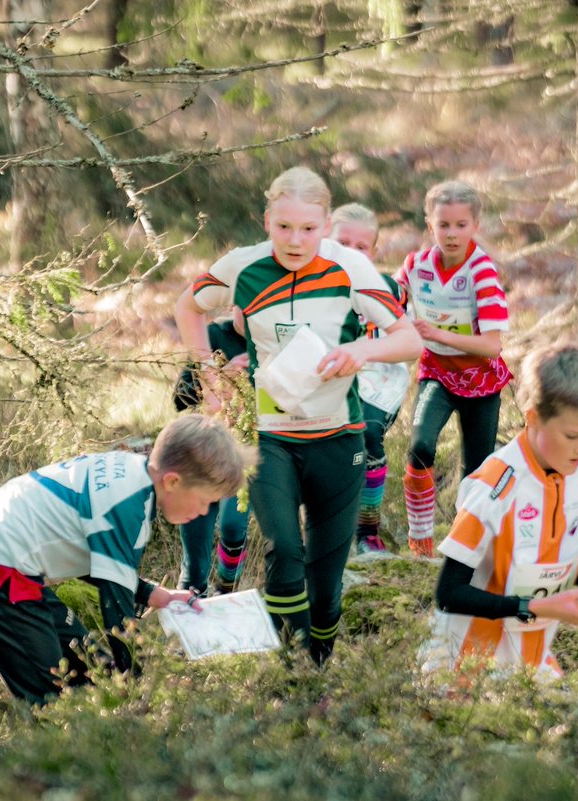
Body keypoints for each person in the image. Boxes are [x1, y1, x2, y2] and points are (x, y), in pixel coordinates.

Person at [174, 166, 421, 664]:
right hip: (270, 438)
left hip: (339, 439)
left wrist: (361, 351)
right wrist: (209, 372)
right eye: (284, 226)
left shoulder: (350, 267)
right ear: (267, 220)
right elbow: (188, 307)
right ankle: (291, 670)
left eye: (308, 228)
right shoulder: (244, 266)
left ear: (326, 225)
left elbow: (409, 340)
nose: (295, 239)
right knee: (284, 552)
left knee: (325, 584)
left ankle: (317, 668)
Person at [0, 414, 256, 705]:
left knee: (90, 669)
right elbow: (117, 612)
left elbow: (102, 566)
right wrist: (140, 687)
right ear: (173, 481)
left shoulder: (132, 475)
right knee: (53, 700)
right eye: (204, 501)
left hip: (2, 562)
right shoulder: (129, 505)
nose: (203, 512)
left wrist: (156, 595)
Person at [417, 343, 578, 680]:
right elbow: (449, 593)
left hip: (533, 665)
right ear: (533, 417)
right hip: (466, 670)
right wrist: (533, 608)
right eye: (572, 435)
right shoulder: (495, 484)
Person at [396, 181, 513, 558]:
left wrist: (437, 333)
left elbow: (492, 346)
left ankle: (466, 548)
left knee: (476, 472)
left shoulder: (482, 272)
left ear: (475, 225)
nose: (451, 234)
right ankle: (420, 542)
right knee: (420, 447)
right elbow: (389, 302)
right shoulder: (415, 265)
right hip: (437, 373)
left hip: (482, 382)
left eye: (461, 225)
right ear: (429, 224)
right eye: (443, 225)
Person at [329, 202, 411, 555]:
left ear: (374, 252)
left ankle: (368, 531)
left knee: (368, 433)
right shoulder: (310, 286)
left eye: (361, 247)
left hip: (379, 378)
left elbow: (407, 344)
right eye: (343, 243)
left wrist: (367, 350)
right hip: (328, 375)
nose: (351, 253)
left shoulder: (388, 289)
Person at [172, 312, 252, 594]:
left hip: (246, 449)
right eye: (244, 306)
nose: (250, 314)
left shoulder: (270, 339)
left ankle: (226, 589)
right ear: (232, 303)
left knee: (232, 527)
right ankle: (191, 594)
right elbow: (181, 399)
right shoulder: (213, 335)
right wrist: (219, 377)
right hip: (206, 447)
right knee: (195, 552)